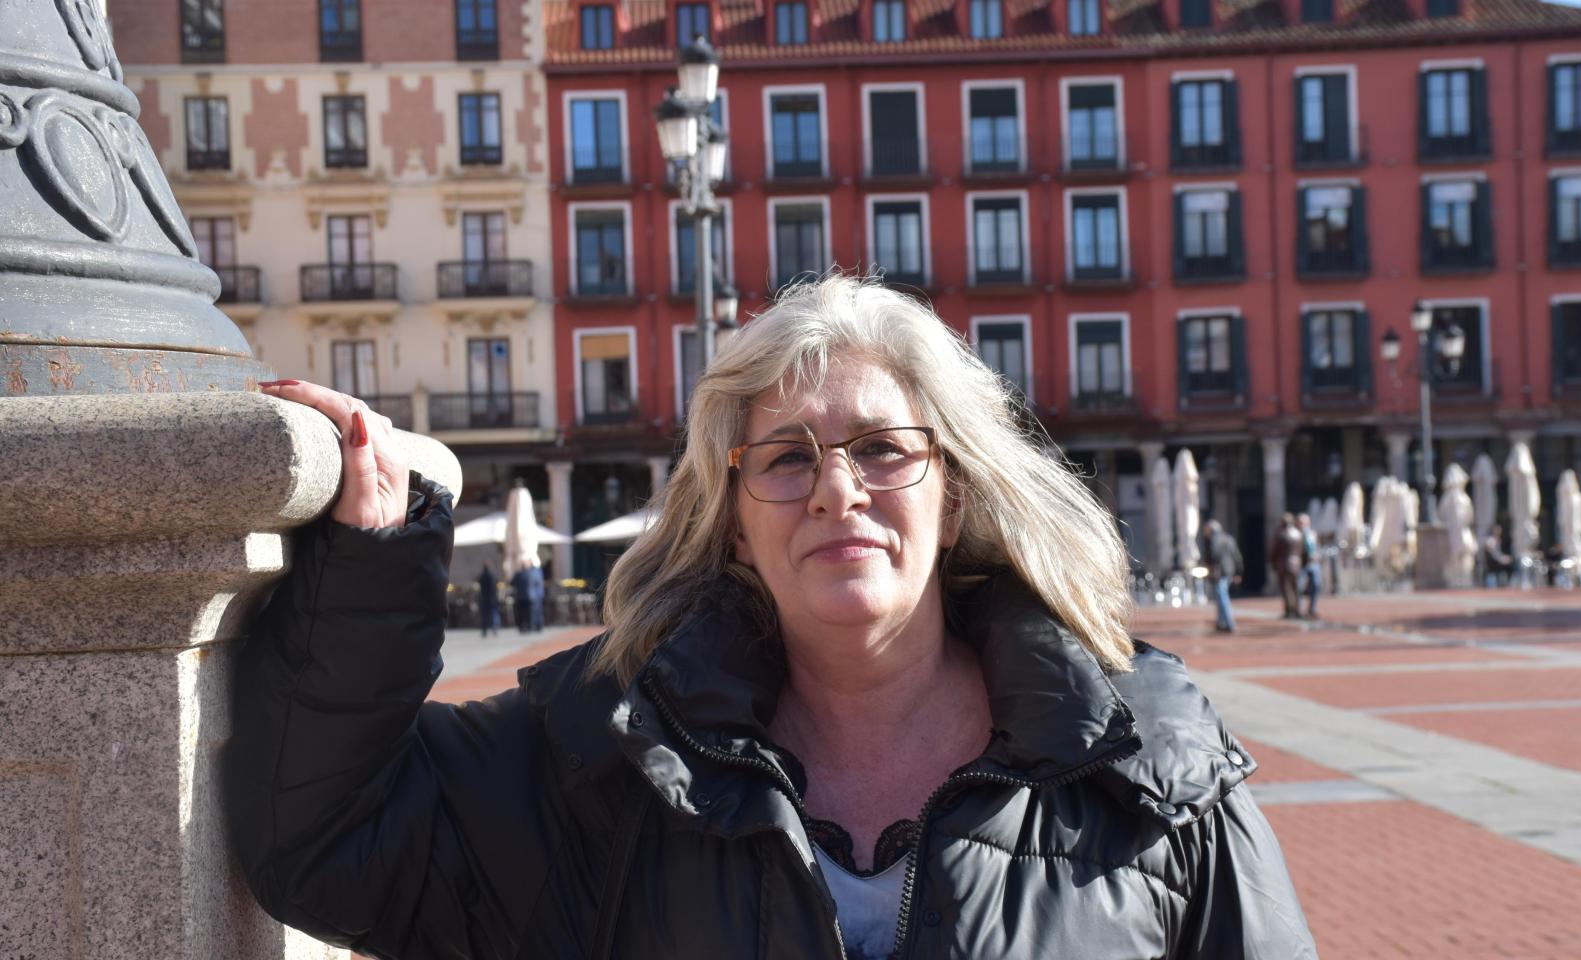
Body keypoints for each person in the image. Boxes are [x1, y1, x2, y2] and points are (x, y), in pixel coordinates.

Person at [233, 276, 1315, 959]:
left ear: (955, 497)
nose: (838, 490)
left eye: (882, 449)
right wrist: (374, 557)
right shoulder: (604, 756)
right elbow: (327, 842)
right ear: (736, 523)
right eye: (787, 459)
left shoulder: (1144, 765)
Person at [1204, 519, 1243, 633]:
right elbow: (1237, 556)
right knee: (1220, 595)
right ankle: (1221, 622)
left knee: (1222, 596)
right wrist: (1238, 572)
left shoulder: (1214, 540)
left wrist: (1208, 566)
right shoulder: (1229, 539)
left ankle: (1229, 623)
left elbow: (1213, 555)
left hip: (1219, 571)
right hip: (1229, 570)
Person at [1269, 513, 1304, 619]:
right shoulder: (1298, 534)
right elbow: (1303, 551)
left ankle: (1290, 610)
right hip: (1297, 563)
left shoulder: (1281, 534)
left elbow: (1274, 551)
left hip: (1284, 564)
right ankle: (1297, 609)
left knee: (1286, 588)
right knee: (1296, 588)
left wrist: (1273, 563)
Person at [1297, 513, 1321, 619]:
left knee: (1316, 585)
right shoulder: (1296, 534)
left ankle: (1312, 608)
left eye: (1305, 522)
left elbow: (1317, 546)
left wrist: (1318, 555)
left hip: (1313, 562)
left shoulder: (1312, 533)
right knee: (1299, 586)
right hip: (1301, 563)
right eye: (1301, 523)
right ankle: (1299, 609)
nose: (1303, 525)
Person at [1482, 522, 1513, 587]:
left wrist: (1503, 558)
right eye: (1497, 530)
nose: (1499, 532)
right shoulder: (1490, 540)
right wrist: (1502, 558)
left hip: (1497, 562)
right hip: (1492, 563)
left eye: (1499, 530)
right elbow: (1493, 553)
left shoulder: (1499, 539)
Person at [477, 563, 500, 636]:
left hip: (484, 598)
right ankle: (495, 628)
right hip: (492, 598)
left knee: (484, 615)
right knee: (493, 614)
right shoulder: (493, 576)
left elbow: (478, 581)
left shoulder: (482, 576)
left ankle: (484, 630)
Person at [509, 565, 534, 633]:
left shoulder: (518, 575)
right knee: (527, 613)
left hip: (520, 597)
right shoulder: (529, 575)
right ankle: (528, 626)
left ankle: (521, 627)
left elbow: (511, 583)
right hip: (528, 597)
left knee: (520, 613)